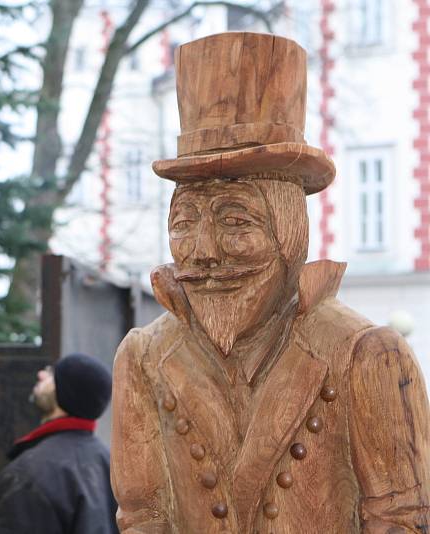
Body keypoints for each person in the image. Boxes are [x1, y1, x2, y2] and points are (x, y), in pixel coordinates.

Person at [111, 32, 430, 533]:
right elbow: (142, 516)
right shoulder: (144, 357)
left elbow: (401, 519)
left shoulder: (365, 355)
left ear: (289, 233)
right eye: (184, 222)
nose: (205, 250)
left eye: (236, 222)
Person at [0, 353, 119, 534]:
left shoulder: (28, 473)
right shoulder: (111, 464)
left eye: (52, 374)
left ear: (65, 393)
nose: (41, 375)